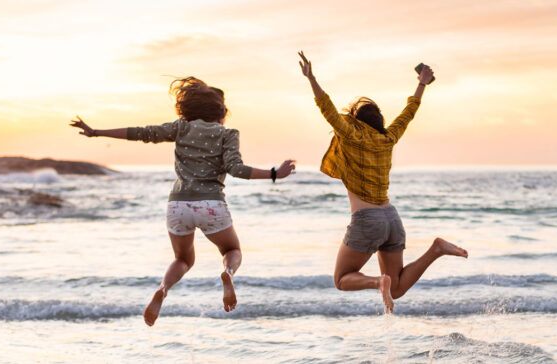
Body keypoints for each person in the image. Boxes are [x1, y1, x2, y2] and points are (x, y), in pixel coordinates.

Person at [70, 77, 296, 326]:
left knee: (183, 259)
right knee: (231, 250)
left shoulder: (181, 128)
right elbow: (236, 169)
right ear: (221, 113)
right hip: (211, 205)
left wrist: (96, 132)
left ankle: (163, 289)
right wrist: (275, 173)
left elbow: (141, 133)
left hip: (177, 206)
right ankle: (227, 273)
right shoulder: (227, 134)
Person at [297, 51, 468, 313]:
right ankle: (436, 249)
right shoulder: (389, 138)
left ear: (356, 121)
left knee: (342, 279)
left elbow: (327, 108)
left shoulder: (352, 136)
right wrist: (421, 83)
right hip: (392, 219)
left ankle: (378, 282)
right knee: (397, 289)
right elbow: (409, 112)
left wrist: (311, 78)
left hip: (368, 220)